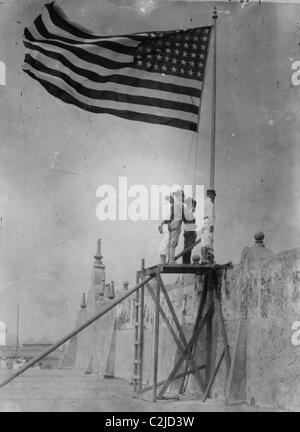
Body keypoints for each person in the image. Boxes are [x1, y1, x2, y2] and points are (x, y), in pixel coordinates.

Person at [168, 189, 184, 264]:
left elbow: (171, 215)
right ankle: (171, 260)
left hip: (172, 222)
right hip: (176, 222)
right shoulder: (179, 203)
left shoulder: (174, 204)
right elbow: (184, 215)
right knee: (173, 242)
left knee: (171, 241)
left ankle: (170, 259)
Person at [200, 189, 216, 264]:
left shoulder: (203, 202)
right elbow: (211, 214)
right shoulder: (210, 203)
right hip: (208, 222)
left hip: (203, 222)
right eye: (214, 195)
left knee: (204, 241)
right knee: (206, 242)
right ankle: (204, 258)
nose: (214, 197)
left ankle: (204, 257)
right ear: (211, 195)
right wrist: (212, 225)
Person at [158, 194, 173, 264]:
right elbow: (168, 218)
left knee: (166, 242)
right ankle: (163, 260)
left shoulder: (166, 206)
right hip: (167, 225)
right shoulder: (169, 206)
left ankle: (165, 260)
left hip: (166, 225)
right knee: (166, 242)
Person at [182, 197, 197, 264]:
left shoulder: (187, 211)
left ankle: (186, 261)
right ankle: (186, 261)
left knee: (187, 246)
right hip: (189, 230)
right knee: (189, 247)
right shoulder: (188, 211)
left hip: (188, 230)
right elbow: (187, 221)